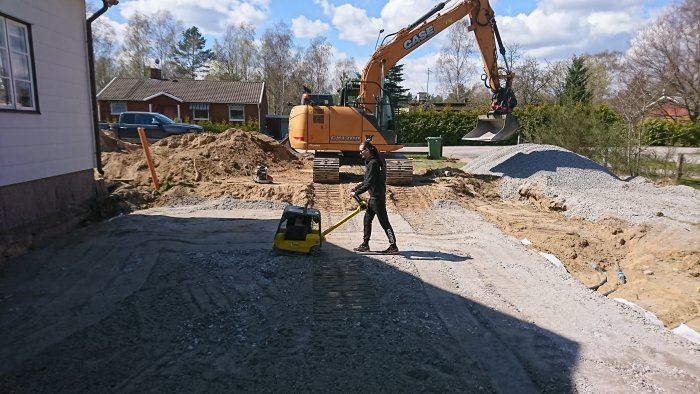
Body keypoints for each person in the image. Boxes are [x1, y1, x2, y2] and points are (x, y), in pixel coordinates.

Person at [349, 140, 399, 254]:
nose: (360, 153)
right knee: (367, 220)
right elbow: (367, 181)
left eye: (361, 151)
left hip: (377, 198)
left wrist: (356, 193)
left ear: (367, 150)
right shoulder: (372, 162)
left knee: (384, 223)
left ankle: (393, 246)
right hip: (374, 198)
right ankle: (365, 245)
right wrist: (357, 188)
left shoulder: (373, 163)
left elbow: (369, 183)